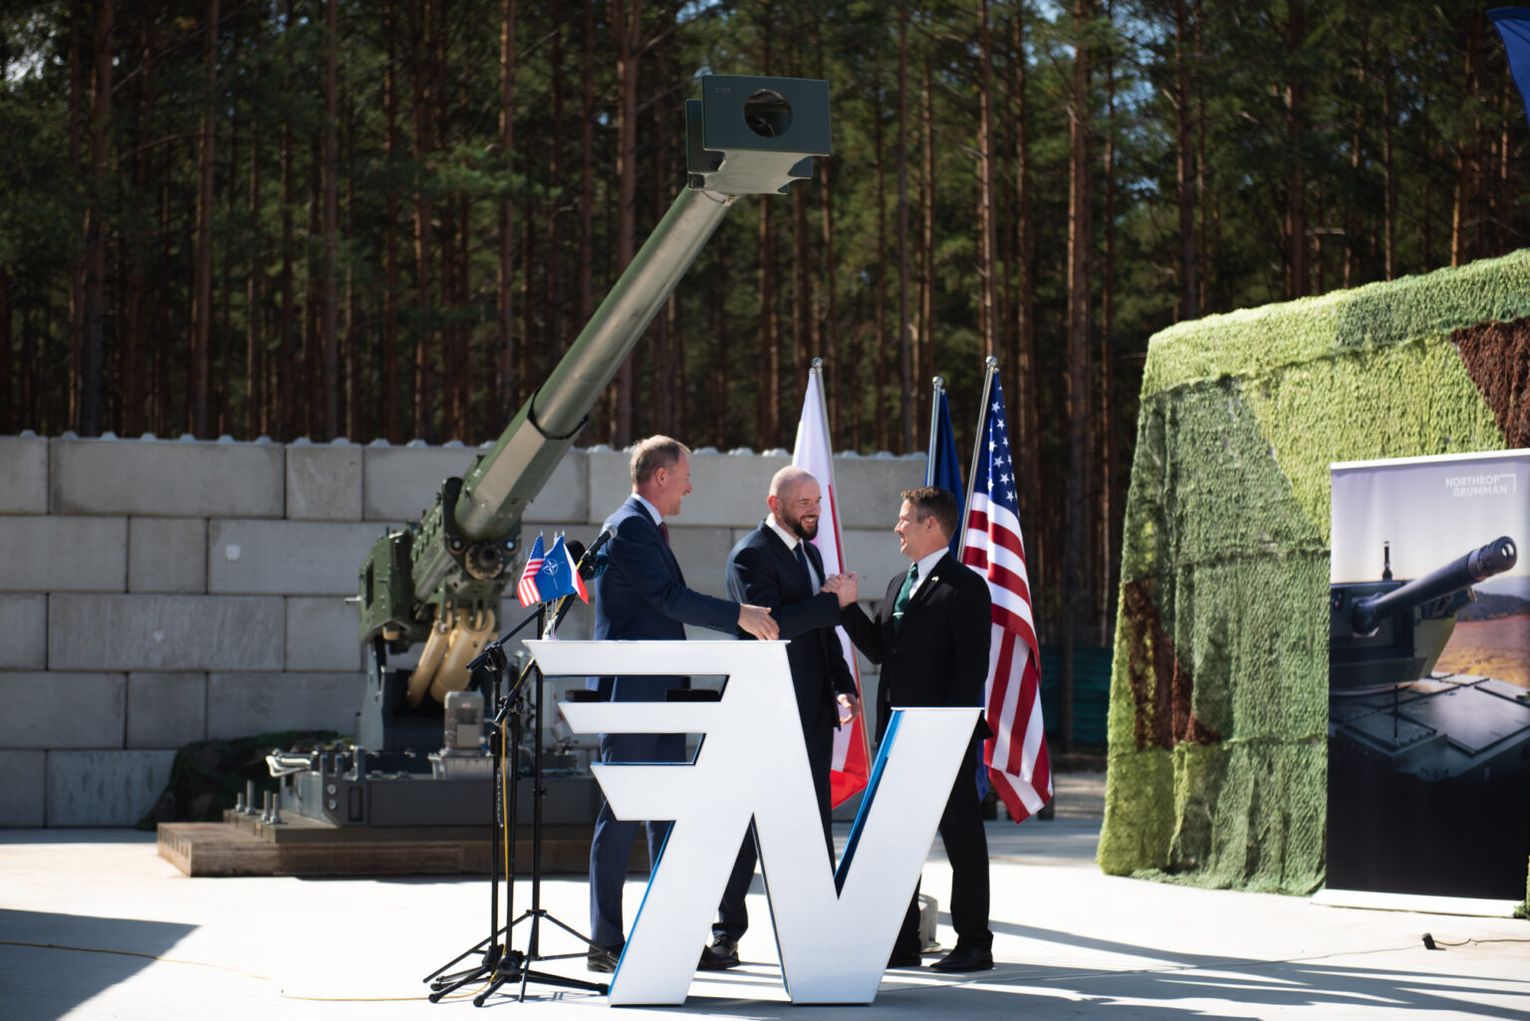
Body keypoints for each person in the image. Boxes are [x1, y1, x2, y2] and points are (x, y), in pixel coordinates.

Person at [585, 436, 779, 972]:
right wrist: (739, 615)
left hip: (662, 692)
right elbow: (667, 599)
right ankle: (604, 942)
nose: (689, 487)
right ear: (661, 476)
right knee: (623, 812)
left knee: (668, 816)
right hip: (634, 693)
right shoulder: (628, 527)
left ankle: (669, 936)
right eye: (686, 476)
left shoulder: (643, 527)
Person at [698, 466, 861, 971]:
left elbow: (822, 633)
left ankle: (818, 930)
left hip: (812, 711)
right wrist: (830, 603)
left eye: (817, 501)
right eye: (803, 502)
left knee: (812, 819)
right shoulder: (750, 555)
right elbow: (771, 627)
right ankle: (726, 934)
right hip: (763, 711)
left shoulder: (810, 554)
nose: (814, 510)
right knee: (746, 820)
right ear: (775, 505)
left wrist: (842, 684)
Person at [826, 485, 995, 973]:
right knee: (898, 840)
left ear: (931, 525)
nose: (897, 527)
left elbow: (970, 670)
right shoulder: (900, 582)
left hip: (942, 739)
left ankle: (974, 944)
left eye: (905, 519)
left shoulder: (965, 587)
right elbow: (883, 650)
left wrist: (945, 734)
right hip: (898, 737)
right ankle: (902, 943)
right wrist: (846, 608)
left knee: (962, 839)